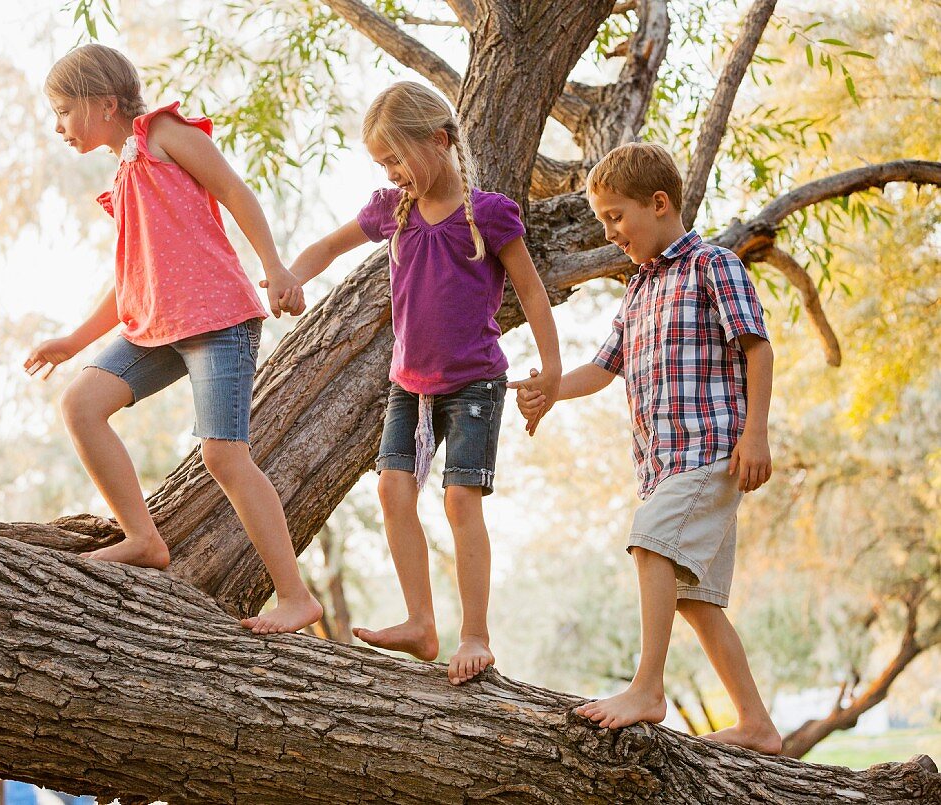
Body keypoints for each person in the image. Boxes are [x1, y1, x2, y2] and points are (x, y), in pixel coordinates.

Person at [24, 44, 321, 634]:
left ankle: (296, 597)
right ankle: (142, 538)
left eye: (63, 110)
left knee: (223, 455)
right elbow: (132, 278)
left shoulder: (162, 132)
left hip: (218, 319)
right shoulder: (122, 175)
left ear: (104, 102)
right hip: (158, 325)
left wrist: (276, 267)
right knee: (80, 404)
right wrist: (73, 341)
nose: (57, 126)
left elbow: (236, 191)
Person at [287, 81, 561, 685]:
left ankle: (476, 635)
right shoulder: (392, 210)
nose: (391, 172)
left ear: (438, 141)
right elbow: (328, 246)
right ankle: (420, 621)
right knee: (392, 491)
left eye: (396, 159)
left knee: (460, 501)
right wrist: (290, 275)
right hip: (408, 386)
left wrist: (552, 367)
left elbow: (533, 293)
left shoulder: (488, 214)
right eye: (382, 164)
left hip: (474, 385)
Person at [513, 142, 781, 753]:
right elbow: (604, 369)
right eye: (603, 220)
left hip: (710, 451)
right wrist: (550, 389)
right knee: (696, 600)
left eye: (615, 217)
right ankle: (758, 724)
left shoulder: (715, 267)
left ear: (659, 204)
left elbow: (757, 348)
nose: (610, 233)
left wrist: (756, 433)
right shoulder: (636, 292)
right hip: (663, 469)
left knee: (649, 543)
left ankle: (647, 688)